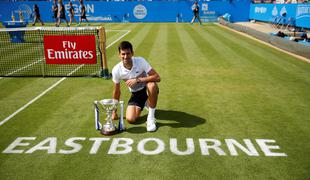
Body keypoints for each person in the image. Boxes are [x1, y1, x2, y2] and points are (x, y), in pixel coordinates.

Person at [111, 41, 160, 132]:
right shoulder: (116, 70)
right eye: (123, 54)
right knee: (130, 119)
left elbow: (157, 77)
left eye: (128, 53)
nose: (126, 57)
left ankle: (151, 117)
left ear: (132, 53)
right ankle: (146, 102)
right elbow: (117, 91)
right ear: (119, 55)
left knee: (152, 85)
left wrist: (138, 80)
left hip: (147, 89)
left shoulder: (140, 61)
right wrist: (114, 111)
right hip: (136, 94)